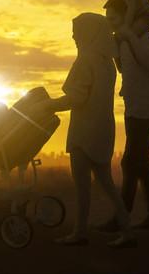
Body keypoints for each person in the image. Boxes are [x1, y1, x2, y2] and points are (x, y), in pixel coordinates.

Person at [36, 13, 136, 248]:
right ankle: (127, 230)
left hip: (84, 131)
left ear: (89, 32)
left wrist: (47, 105)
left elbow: (76, 98)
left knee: (82, 186)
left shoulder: (85, 61)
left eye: (77, 31)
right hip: (103, 128)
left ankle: (79, 232)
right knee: (107, 185)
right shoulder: (107, 63)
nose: (73, 36)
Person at [98, 0, 149, 231]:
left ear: (126, 17)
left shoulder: (144, 39)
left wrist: (127, 36)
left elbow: (148, 64)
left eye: (114, 19)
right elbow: (123, 69)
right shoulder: (122, 41)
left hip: (145, 112)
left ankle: (122, 218)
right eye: (108, 21)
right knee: (140, 164)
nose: (111, 24)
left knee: (130, 163)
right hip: (134, 110)